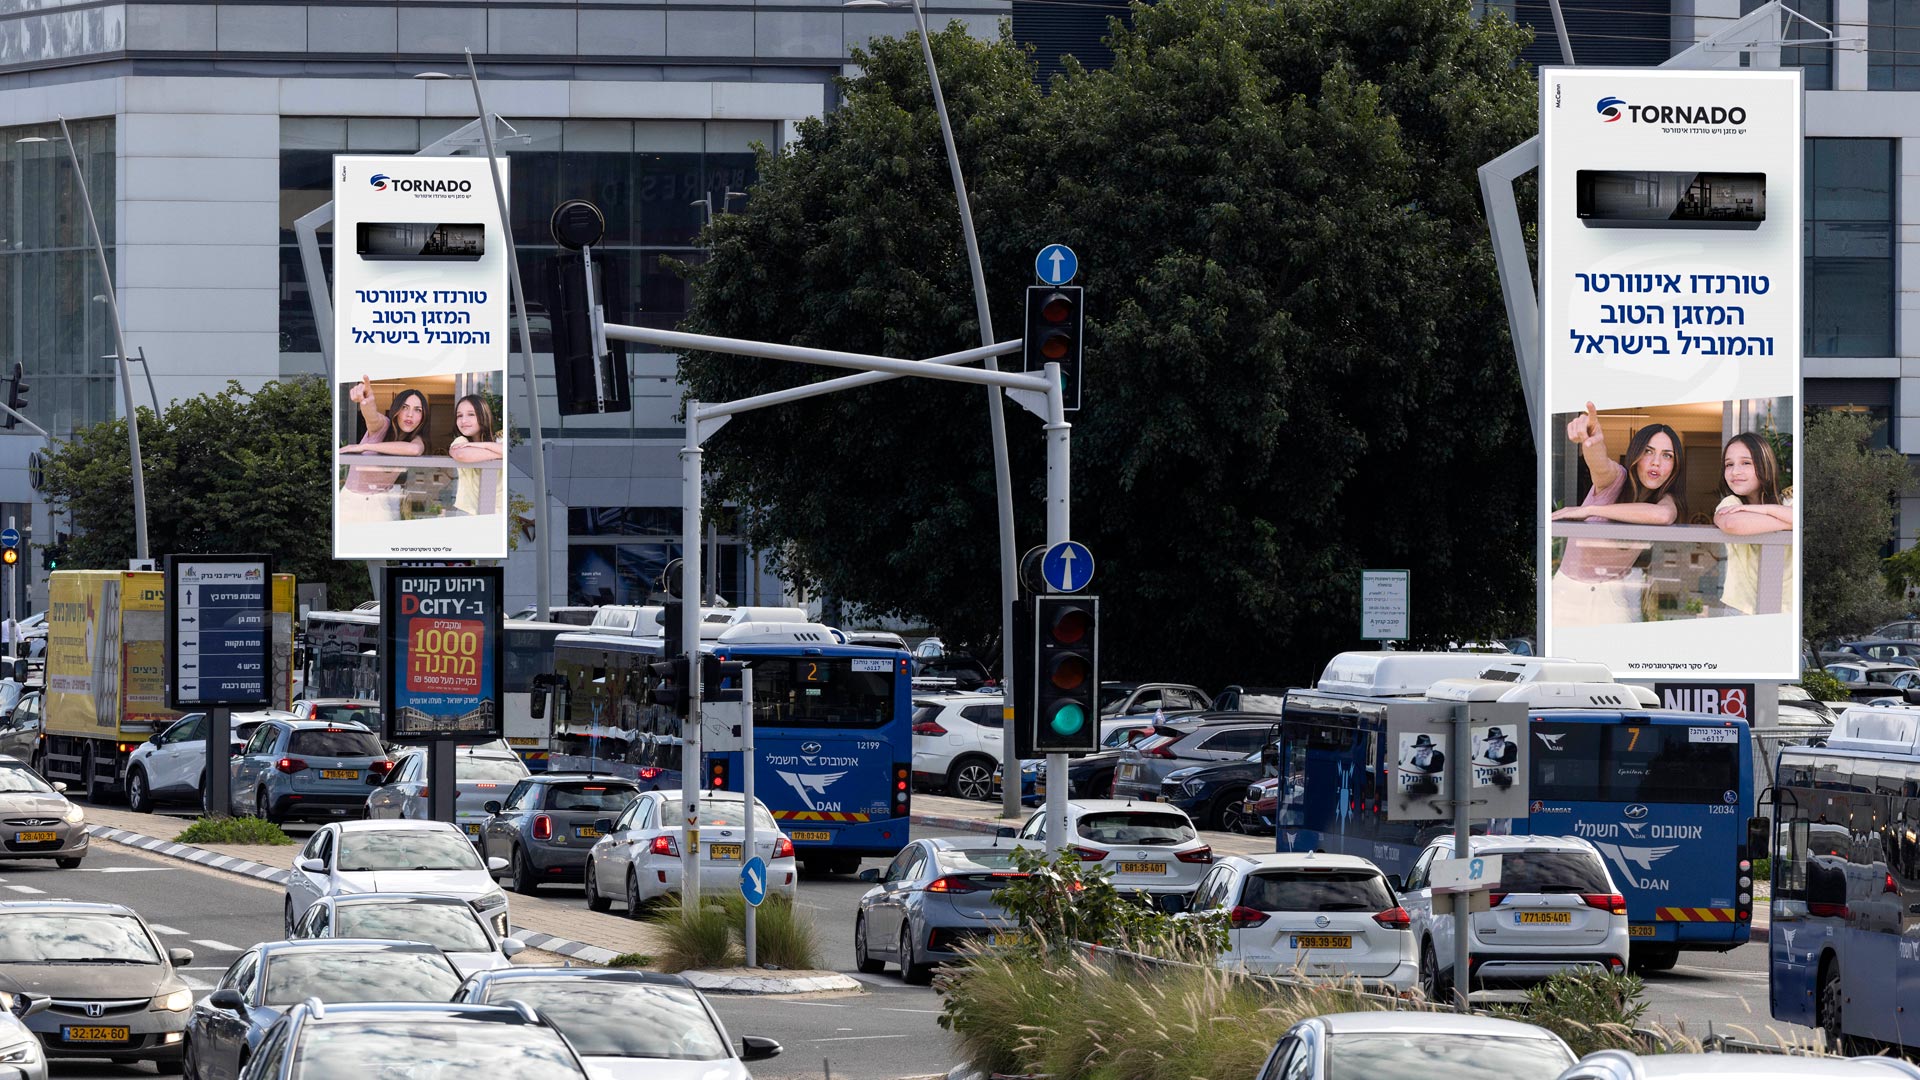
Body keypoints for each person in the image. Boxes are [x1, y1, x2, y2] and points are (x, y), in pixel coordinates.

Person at [1550, 401, 1685, 625]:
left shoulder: (1667, 499)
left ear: (1675, 465)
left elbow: (1663, 516)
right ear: (1636, 454)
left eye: (1667, 455)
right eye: (1648, 452)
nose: (1655, 462)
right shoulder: (1617, 479)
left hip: (1612, 596)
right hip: (1568, 593)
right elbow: (1600, 464)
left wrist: (1591, 509)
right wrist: (1593, 440)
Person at [1715, 431, 1793, 616]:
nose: (1735, 471)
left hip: (1785, 609)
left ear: (1765, 465)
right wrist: (1787, 521)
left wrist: (1762, 510)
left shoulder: (1789, 502)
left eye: (1746, 463)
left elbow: (1803, 519)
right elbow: (1732, 523)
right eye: (1729, 464)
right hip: (1741, 609)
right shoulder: (1731, 503)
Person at [337, 377, 427, 523]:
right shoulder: (383, 425)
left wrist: (365, 446)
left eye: (417, 410)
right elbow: (372, 416)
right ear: (396, 409)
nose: (410, 414)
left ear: (423, 416)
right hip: (351, 502)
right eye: (405, 407)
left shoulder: (416, 439)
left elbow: (414, 449)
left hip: (381, 503)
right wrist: (367, 401)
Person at [447, 394, 503, 516]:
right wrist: (498, 453)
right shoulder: (461, 441)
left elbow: (508, 452)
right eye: (459, 415)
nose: (463, 420)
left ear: (483, 415)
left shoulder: (500, 440)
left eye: (471, 414)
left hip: (498, 512)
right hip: (467, 512)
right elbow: (461, 455)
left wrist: (483, 445)